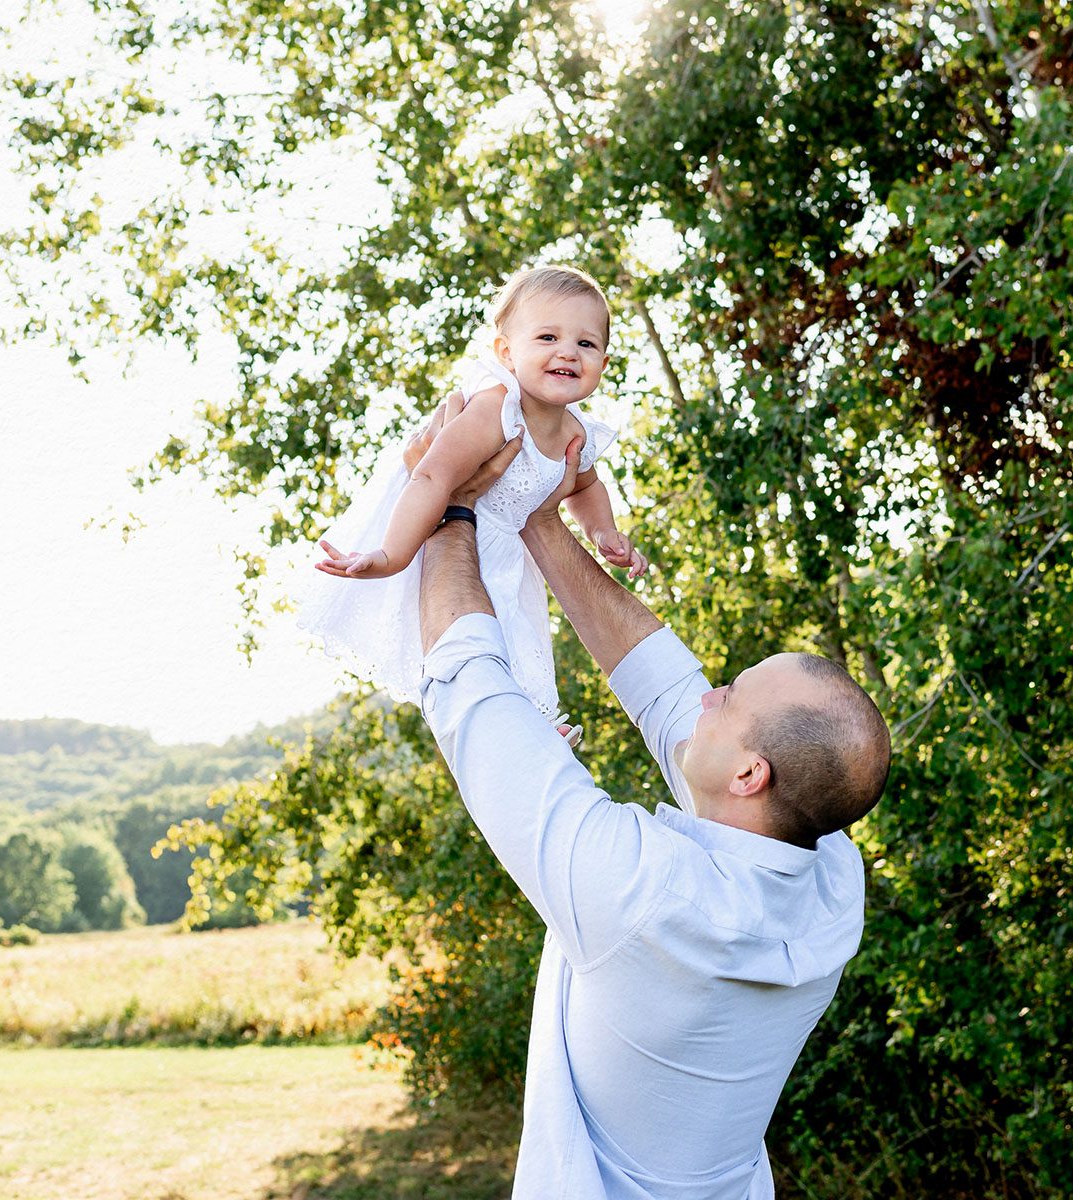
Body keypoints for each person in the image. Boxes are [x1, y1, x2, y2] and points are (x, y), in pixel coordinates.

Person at [411, 398, 892, 1199]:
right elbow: (665, 688)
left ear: (750, 777)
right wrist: (530, 512)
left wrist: (448, 509)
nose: (707, 695)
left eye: (728, 695)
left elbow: (469, 695)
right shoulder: (833, 882)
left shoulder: (647, 892)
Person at [299, 264, 647, 728]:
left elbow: (585, 484)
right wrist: (392, 554)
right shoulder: (495, 409)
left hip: (502, 550)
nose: (568, 351)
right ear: (507, 351)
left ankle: (531, 723)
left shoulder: (576, 432)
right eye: (547, 338)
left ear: (603, 363)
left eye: (586, 343)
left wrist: (603, 531)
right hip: (432, 525)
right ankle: (513, 723)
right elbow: (429, 477)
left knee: (514, 635)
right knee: (474, 640)